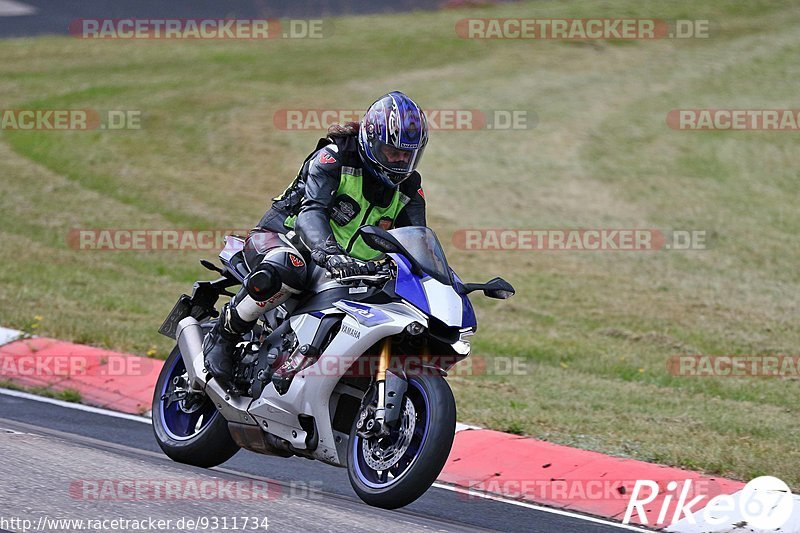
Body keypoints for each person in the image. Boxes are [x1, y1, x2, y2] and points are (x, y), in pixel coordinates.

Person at [202, 91, 429, 389]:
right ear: (372, 142)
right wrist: (329, 253)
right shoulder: (334, 157)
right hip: (283, 239)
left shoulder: (410, 190)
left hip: (348, 269)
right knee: (289, 265)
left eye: (407, 155)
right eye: (392, 151)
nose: (400, 161)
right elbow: (312, 212)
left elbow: (417, 245)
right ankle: (224, 334)